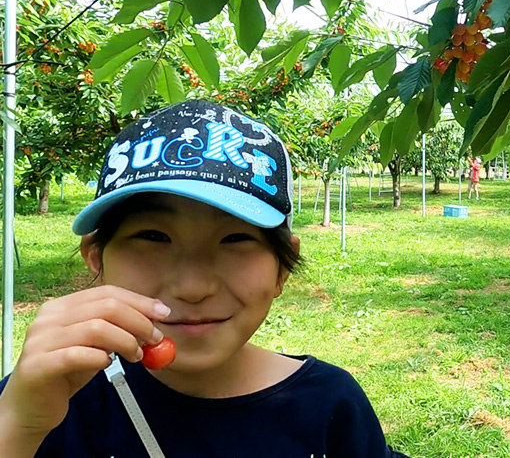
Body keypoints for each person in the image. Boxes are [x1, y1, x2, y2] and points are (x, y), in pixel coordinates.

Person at [0, 100, 409, 458]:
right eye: (153, 237)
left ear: (283, 267)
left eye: (235, 239)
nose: (193, 288)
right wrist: (18, 425)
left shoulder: (329, 407)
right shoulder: (44, 399)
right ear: (96, 257)